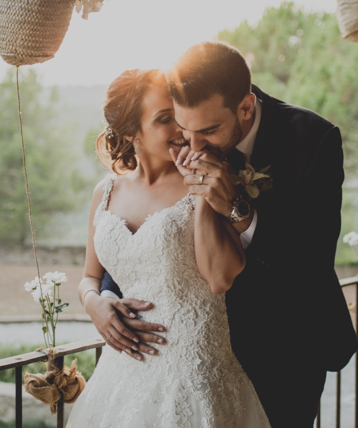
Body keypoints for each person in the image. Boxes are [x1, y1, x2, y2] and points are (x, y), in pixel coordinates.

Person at [87, 41, 357, 428]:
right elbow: (142, 252)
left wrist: (238, 209)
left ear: (245, 108)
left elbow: (310, 259)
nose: (191, 146)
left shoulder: (311, 140)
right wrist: (100, 298)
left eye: (209, 131)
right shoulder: (182, 126)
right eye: (182, 126)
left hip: (284, 346)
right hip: (185, 357)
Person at [67, 68, 271, 428]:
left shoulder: (212, 178)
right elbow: (89, 276)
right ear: (132, 132)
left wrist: (201, 192)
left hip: (197, 372)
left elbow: (221, 278)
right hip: (123, 372)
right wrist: (94, 304)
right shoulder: (106, 192)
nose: (181, 129)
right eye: (165, 119)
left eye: (178, 116)